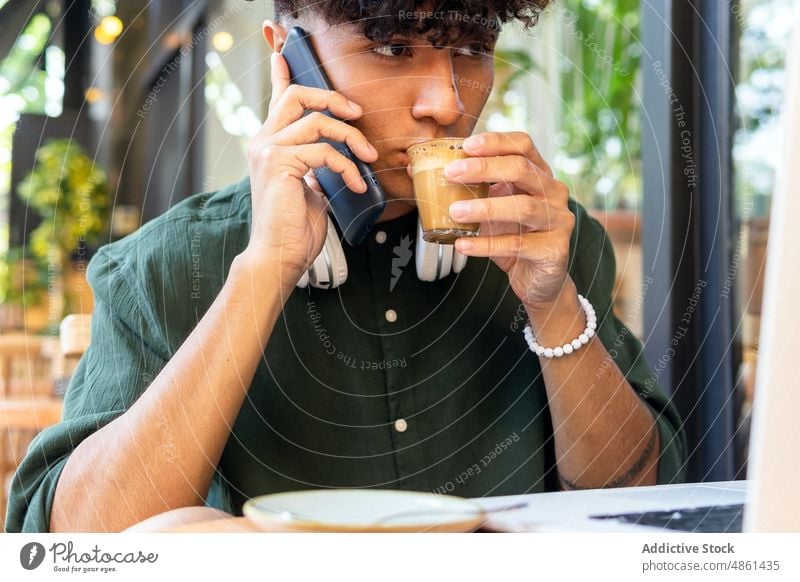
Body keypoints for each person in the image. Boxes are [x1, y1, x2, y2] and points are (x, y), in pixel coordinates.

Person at [6, 0, 686, 533]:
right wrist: (265, 269)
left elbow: (639, 499)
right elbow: (76, 543)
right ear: (288, 59)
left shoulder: (552, 242)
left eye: (473, 50)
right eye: (392, 48)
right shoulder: (157, 267)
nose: (448, 103)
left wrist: (553, 303)